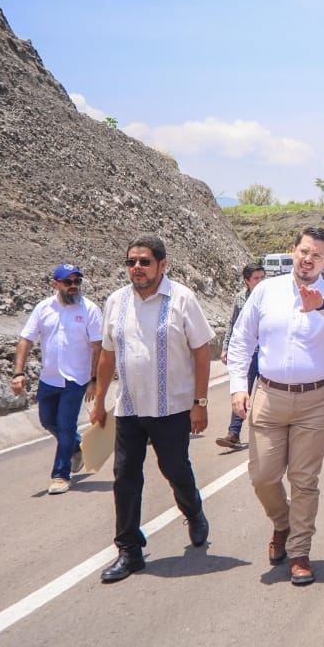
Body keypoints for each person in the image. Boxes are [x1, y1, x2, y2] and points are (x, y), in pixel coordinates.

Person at [227, 227, 324, 586]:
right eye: (303, 251)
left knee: (304, 480)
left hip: (317, 400)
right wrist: (238, 387)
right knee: (263, 476)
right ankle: (282, 523)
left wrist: (322, 305)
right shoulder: (266, 291)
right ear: (293, 252)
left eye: (316, 254)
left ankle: (300, 551)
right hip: (269, 396)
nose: (308, 259)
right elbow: (241, 341)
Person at [91, 235, 214, 583]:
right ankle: (129, 549)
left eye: (144, 262)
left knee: (175, 470)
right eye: (131, 262)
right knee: (125, 479)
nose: (137, 268)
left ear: (162, 265)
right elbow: (107, 355)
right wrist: (100, 401)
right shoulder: (116, 301)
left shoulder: (182, 299)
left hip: (173, 408)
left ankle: (194, 511)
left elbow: (202, 352)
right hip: (129, 407)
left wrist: (199, 403)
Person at [12, 263, 103, 494]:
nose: (74, 286)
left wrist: (94, 380)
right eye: (68, 282)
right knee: (47, 421)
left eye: (77, 282)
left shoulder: (89, 309)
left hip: (76, 379)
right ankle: (75, 446)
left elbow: (98, 346)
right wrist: (18, 373)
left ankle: (61, 475)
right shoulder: (43, 308)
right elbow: (25, 340)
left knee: (65, 424)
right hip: (49, 378)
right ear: (56, 284)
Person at [216, 264, 265, 449]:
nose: (260, 282)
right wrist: (226, 347)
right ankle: (234, 433)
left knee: (272, 394)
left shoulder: (271, 296)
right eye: (256, 278)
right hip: (248, 355)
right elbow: (233, 324)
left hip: (267, 355)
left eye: (262, 277)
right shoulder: (240, 299)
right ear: (246, 281)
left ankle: (276, 433)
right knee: (242, 392)